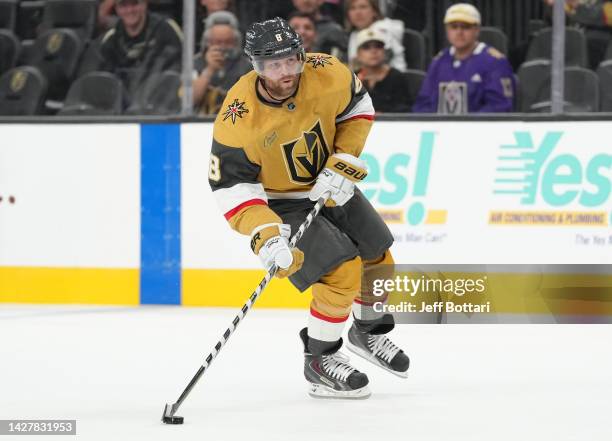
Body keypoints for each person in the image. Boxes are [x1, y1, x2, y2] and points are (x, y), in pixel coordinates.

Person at [208, 17, 409, 398]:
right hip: (278, 203)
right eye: (272, 65)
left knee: (379, 258)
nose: (285, 72)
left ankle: (365, 333)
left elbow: (357, 107)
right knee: (341, 273)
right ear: (255, 66)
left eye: (291, 60)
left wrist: (342, 160)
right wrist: (265, 235)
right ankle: (320, 360)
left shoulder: (327, 71)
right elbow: (232, 187)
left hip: (331, 184)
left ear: (302, 54)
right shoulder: (238, 118)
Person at [412, 3, 515, 114]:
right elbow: (423, 103)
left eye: (465, 27)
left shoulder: (495, 62)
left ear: (477, 30)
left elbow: (499, 107)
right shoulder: (439, 61)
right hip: (439, 128)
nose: (459, 32)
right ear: (447, 30)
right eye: (454, 27)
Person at [99, 0, 183, 106]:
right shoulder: (111, 39)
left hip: (162, 108)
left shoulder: (167, 30)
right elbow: (105, 84)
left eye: (134, 4)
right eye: (123, 6)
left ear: (145, 4)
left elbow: (180, 74)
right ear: (116, 9)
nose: (129, 10)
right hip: (121, 113)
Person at [193, 12, 251, 115]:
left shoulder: (248, 67)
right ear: (208, 42)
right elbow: (190, 101)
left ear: (236, 42)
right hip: (200, 122)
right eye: (218, 42)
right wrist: (209, 70)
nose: (223, 47)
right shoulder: (194, 64)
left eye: (228, 42)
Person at [355, 27, 414, 112]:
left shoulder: (397, 77)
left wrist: (383, 115)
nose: (373, 51)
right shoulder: (352, 80)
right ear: (358, 55)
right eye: (366, 47)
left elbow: (405, 109)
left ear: (385, 52)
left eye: (378, 46)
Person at [346, 0, 406, 71]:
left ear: (374, 11)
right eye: (352, 8)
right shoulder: (354, 34)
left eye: (363, 7)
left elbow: (377, 64)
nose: (358, 12)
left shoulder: (383, 30)